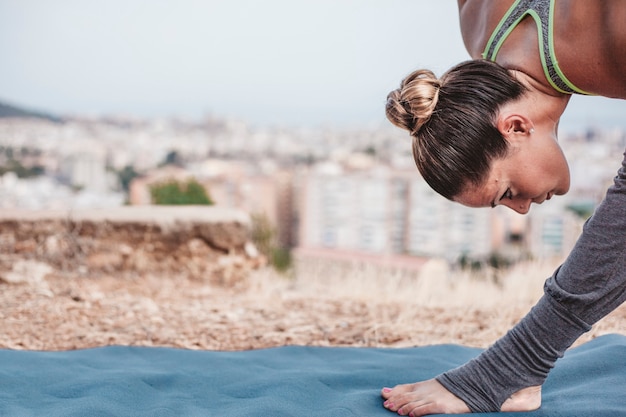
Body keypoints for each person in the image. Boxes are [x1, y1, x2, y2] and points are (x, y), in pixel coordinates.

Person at [381, 0, 626, 415]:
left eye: (508, 192)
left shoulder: (616, 33)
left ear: (515, 126)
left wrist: (514, 365)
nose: (523, 209)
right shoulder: (478, 22)